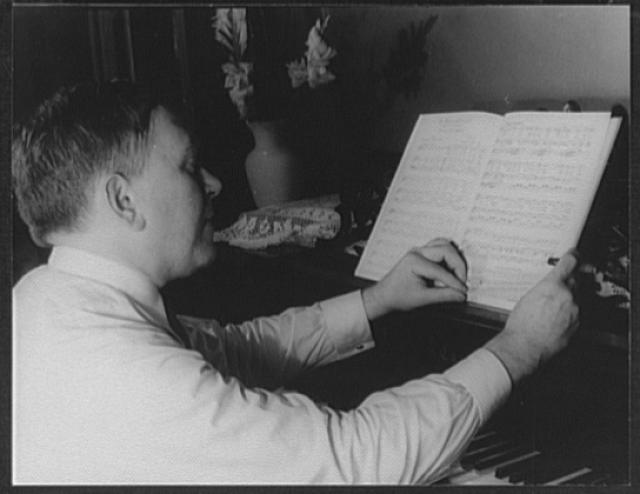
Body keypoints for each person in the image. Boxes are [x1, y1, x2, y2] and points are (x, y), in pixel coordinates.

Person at [12, 81, 580, 485]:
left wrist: (376, 300)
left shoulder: (48, 297)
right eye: (187, 166)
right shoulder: (130, 373)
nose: (212, 183)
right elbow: (355, 460)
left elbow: (233, 351)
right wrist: (518, 346)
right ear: (122, 199)